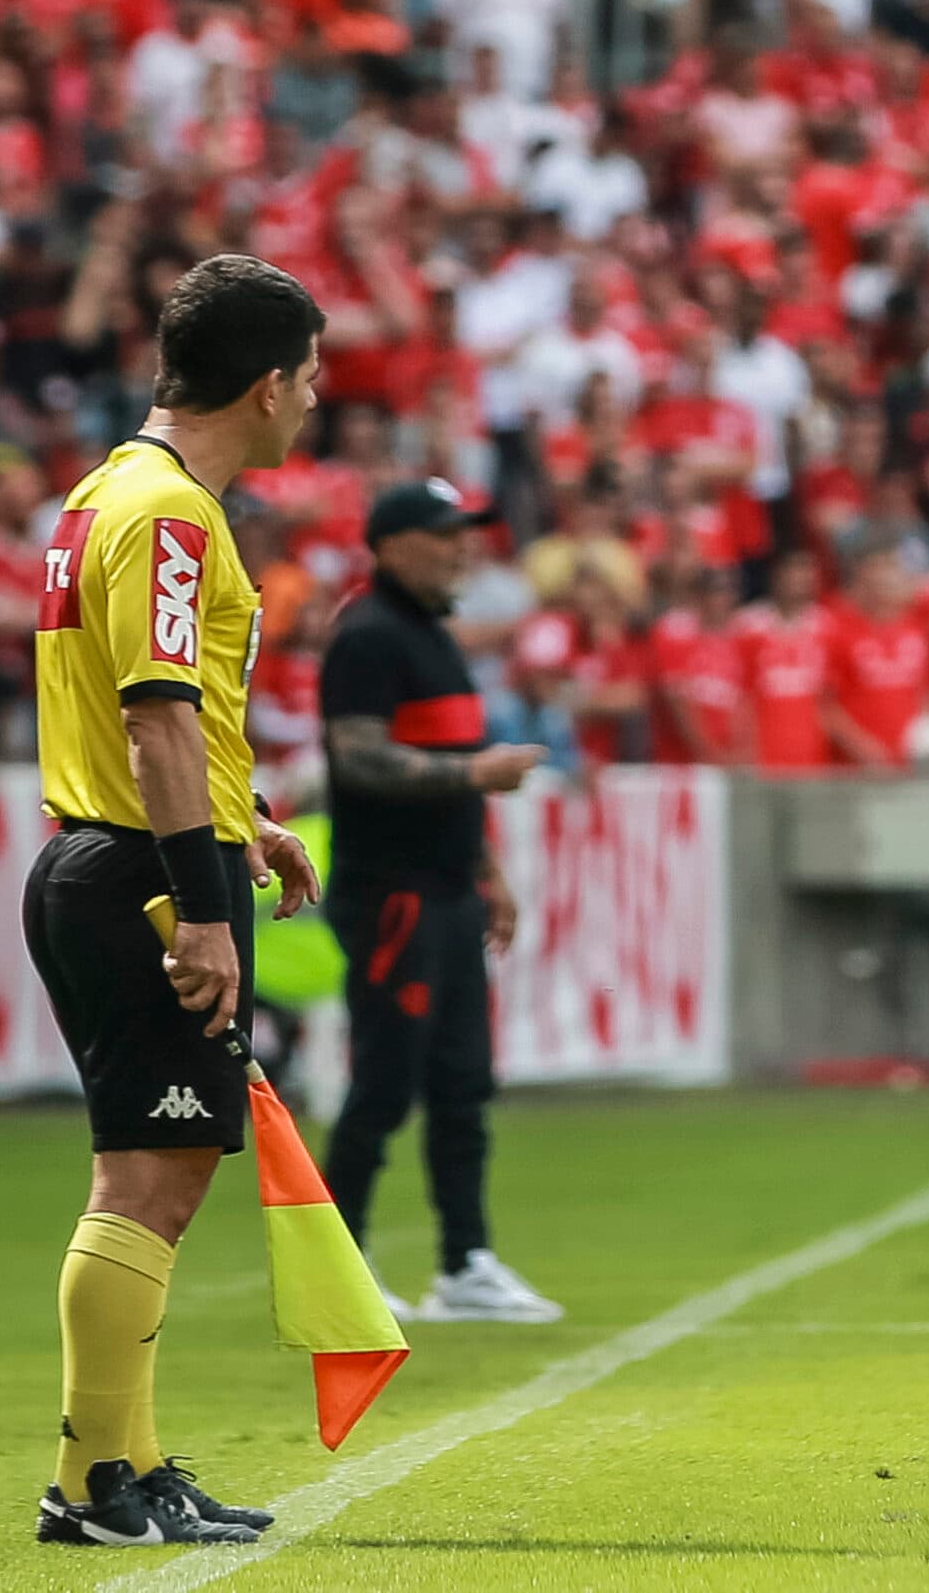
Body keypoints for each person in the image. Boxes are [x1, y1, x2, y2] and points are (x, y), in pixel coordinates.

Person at [21, 254, 326, 1547]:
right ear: (267, 386)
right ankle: (93, 1480)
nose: (312, 401)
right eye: (309, 376)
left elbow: (143, 713)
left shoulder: (106, 491)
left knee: (159, 1174)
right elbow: (153, 716)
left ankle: (129, 1461)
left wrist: (243, 820)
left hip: (119, 853)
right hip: (142, 877)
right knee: (145, 1183)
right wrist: (202, 903)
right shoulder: (170, 514)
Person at [317, 479, 561, 1324]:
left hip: (448, 890)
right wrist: (474, 773)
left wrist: (488, 871)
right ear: (391, 545)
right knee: (384, 1084)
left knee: (464, 1084)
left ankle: (466, 1260)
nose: (464, 548)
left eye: (467, 532)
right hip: (395, 892)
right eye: (446, 533)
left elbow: (446, 759)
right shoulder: (368, 636)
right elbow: (357, 757)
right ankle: (336, 1263)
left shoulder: (431, 635)